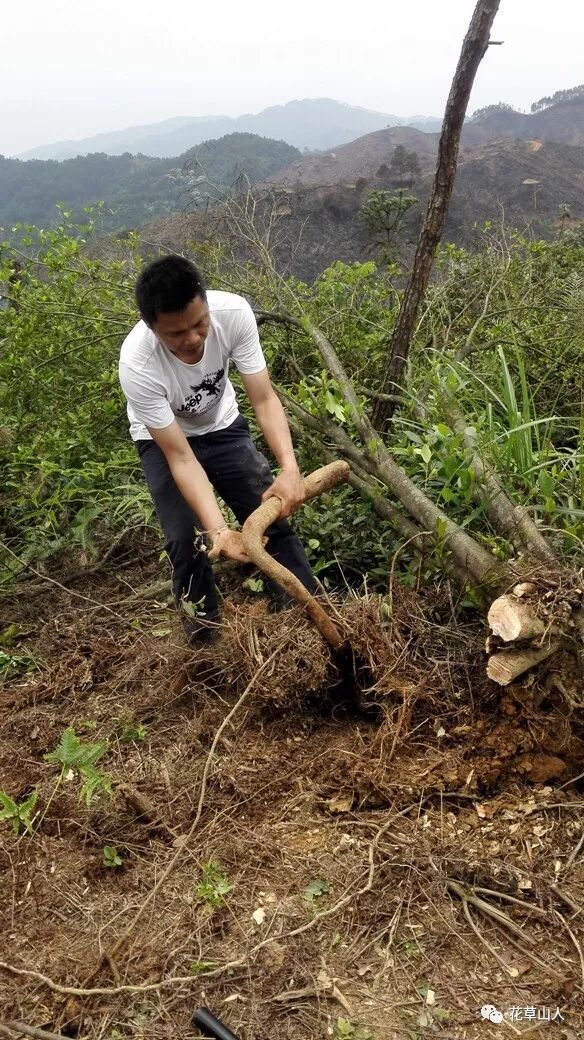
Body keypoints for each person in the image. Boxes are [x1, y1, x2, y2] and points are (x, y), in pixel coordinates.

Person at [119, 255, 316, 642]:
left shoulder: (234, 313)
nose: (192, 339)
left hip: (222, 425)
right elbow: (180, 457)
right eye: (175, 334)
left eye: (198, 324)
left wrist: (289, 469)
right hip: (163, 440)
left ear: (206, 303)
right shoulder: (137, 364)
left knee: (269, 516)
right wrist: (219, 530)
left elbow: (263, 398)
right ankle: (205, 643)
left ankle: (305, 616)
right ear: (152, 328)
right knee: (185, 540)